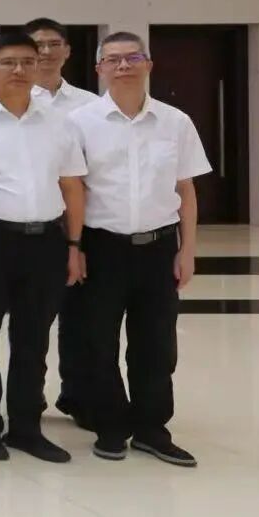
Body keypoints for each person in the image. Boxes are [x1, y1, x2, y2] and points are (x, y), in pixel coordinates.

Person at [0, 30, 87, 463]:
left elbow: (72, 186)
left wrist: (74, 245)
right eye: (8, 62)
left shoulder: (60, 122)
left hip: (46, 242)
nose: (19, 69)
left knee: (33, 340)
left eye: (28, 61)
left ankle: (26, 427)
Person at [70, 32, 210, 467]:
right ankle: (111, 426)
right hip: (101, 247)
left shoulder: (175, 122)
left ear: (149, 64)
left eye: (133, 58)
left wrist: (187, 250)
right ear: (99, 69)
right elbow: (73, 190)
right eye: (113, 59)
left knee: (156, 345)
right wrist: (75, 247)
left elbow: (186, 191)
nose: (124, 66)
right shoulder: (80, 122)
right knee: (98, 342)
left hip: (158, 247)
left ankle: (152, 429)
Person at [23, 16, 99, 424]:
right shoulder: (15, 99)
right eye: (39, 45)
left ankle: (78, 395)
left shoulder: (90, 105)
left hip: (83, 222)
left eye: (55, 44)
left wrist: (78, 239)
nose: (47, 52)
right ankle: (28, 400)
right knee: (33, 321)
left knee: (81, 318)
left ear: (68, 51)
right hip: (36, 221)